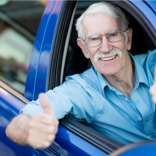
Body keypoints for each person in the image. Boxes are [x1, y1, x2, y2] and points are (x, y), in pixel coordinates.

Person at [6, 2, 156, 149]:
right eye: (94, 39)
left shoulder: (152, 64)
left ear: (128, 38)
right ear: (84, 48)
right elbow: (18, 124)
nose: (105, 48)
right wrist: (31, 129)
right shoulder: (81, 89)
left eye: (113, 34)